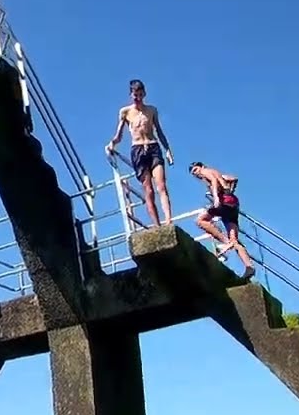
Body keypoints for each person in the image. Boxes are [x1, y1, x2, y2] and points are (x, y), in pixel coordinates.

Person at [105, 79, 175, 226]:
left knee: (161, 186)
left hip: (153, 147)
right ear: (131, 94)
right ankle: (157, 225)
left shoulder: (151, 110)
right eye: (135, 95)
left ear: (144, 94)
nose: (138, 98)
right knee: (148, 190)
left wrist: (167, 149)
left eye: (140, 94)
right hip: (137, 150)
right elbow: (119, 135)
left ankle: (169, 221)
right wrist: (112, 144)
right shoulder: (125, 112)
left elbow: (159, 131)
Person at [189, 161, 255, 280]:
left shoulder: (206, 171)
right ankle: (249, 267)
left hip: (223, 202)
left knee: (200, 221)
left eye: (196, 170)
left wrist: (215, 197)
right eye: (193, 173)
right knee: (234, 240)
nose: (196, 174)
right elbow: (234, 178)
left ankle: (225, 241)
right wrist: (230, 189)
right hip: (233, 203)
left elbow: (213, 181)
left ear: (202, 166)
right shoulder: (218, 173)